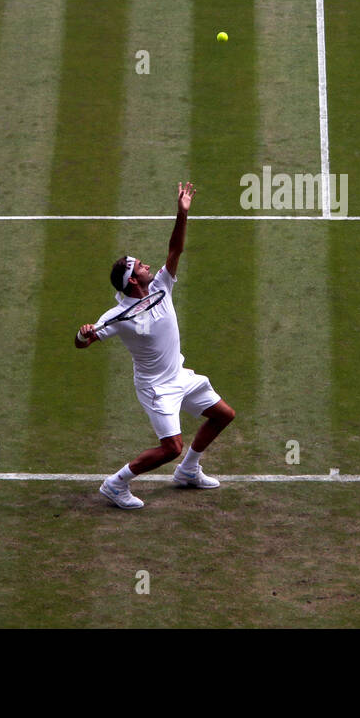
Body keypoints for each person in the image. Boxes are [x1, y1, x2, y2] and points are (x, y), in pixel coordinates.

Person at [75, 182, 236, 509]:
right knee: (170, 447)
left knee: (222, 415)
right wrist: (83, 334)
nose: (148, 266)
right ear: (133, 280)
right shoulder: (117, 315)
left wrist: (182, 213)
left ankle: (189, 471)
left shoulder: (162, 286)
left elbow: (175, 250)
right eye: (140, 267)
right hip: (155, 388)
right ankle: (115, 484)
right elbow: (84, 343)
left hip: (179, 374)